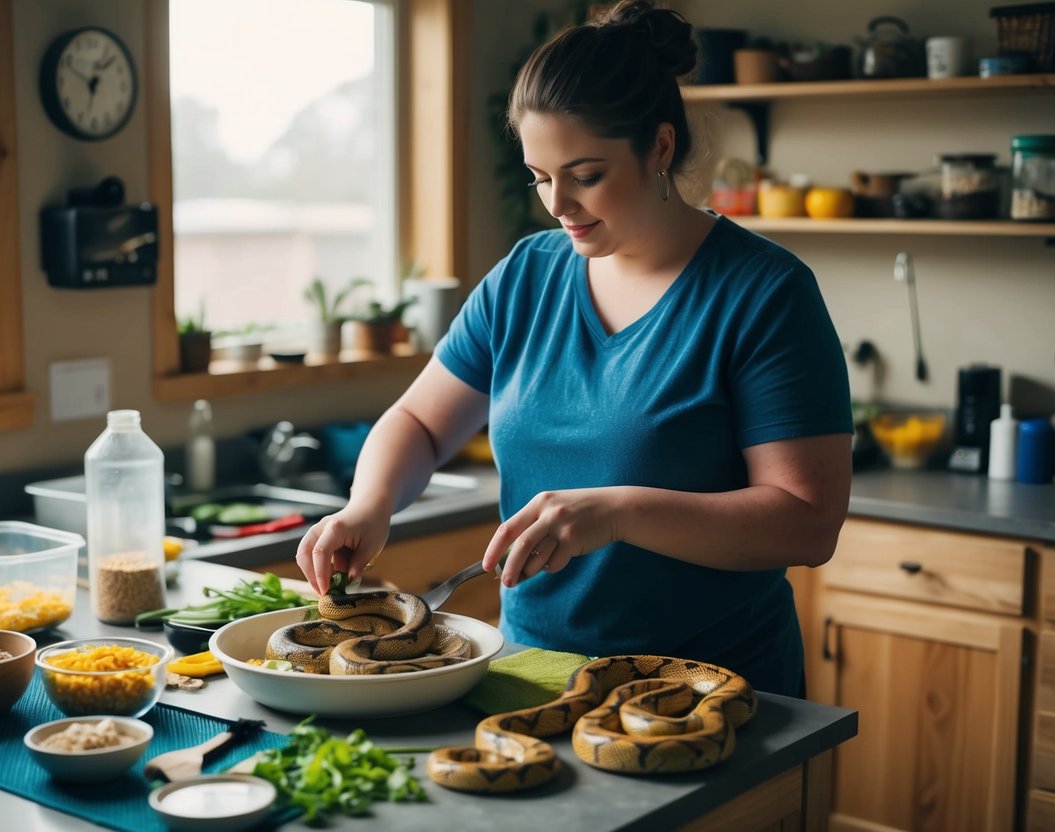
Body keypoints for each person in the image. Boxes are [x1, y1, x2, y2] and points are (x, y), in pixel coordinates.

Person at [296, 0, 853, 697]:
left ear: (658, 146)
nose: (557, 204)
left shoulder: (764, 293)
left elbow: (805, 524)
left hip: (713, 689)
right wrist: (367, 505)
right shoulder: (525, 276)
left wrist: (618, 511)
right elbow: (418, 421)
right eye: (538, 176)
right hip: (536, 674)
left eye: (585, 174)